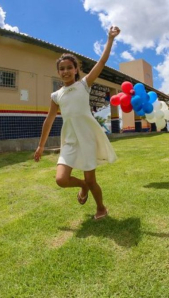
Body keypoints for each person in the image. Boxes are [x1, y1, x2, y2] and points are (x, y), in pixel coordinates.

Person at [33, 26, 120, 221]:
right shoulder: (56, 95)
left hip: (87, 138)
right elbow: (49, 120)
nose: (65, 71)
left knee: (92, 180)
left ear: (76, 70)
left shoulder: (84, 84)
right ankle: (82, 186)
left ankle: (101, 208)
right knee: (61, 179)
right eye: (61, 69)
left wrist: (110, 39)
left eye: (69, 68)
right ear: (58, 72)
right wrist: (41, 145)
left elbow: (103, 61)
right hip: (70, 141)